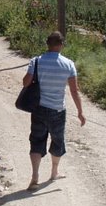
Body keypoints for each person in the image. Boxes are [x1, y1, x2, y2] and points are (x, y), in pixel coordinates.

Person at [23, 30, 85, 191]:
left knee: (36, 141)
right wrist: (80, 111)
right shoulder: (68, 64)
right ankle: (54, 172)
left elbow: (26, 83)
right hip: (58, 110)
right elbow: (74, 90)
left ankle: (35, 177)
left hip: (39, 108)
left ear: (47, 44)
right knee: (57, 141)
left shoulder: (36, 61)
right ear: (61, 44)